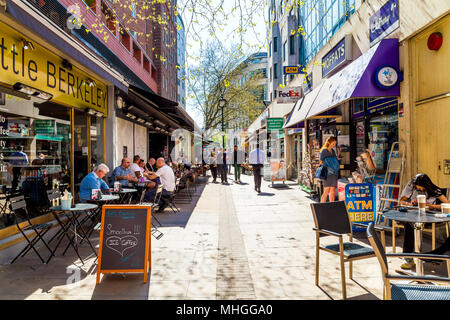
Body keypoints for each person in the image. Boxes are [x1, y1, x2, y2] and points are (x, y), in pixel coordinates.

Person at [398, 173, 450, 269]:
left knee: (410, 225)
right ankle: (409, 257)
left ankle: (411, 256)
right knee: (409, 224)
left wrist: (431, 206)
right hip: (416, 216)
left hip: (430, 218)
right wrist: (411, 204)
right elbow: (401, 201)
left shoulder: (435, 191)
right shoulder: (413, 189)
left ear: (426, 186)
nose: (420, 190)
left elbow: (448, 204)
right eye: (418, 188)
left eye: (421, 188)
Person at [319, 137, 340, 203]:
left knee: (333, 190)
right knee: (326, 190)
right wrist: (328, 162)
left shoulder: (333, 151)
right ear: (329, 142)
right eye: (333, 143)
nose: (334, 145)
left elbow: (334, 161)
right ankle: (322, 207)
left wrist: (336, 159)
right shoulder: (324, 151)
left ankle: (332, 206)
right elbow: (320, 162)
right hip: (327, 173)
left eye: (335, 144)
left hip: (334, 173)